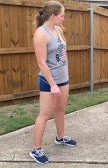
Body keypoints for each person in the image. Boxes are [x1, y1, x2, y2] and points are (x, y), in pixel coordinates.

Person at [30, 1, 77, 164]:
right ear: (53, 16)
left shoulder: (58, 29)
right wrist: (53, 84)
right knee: (44, 115)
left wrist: (63, 77)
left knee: (60, 110)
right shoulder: (41, 34)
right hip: (49, 82)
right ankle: (36, 149)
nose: (64, 18)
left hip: (63, 79)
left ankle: (61, 137)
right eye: (62, 15)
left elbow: (62, 53)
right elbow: (41, 63)